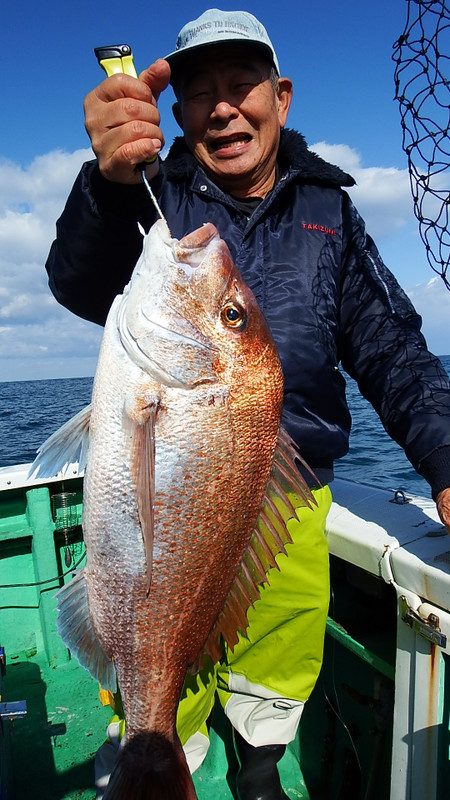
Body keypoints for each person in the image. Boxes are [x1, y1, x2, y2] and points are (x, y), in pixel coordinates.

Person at [45, 9, 450, 799]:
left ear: (282, 97)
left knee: (275, 684)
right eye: (200, 95)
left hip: (293, 512)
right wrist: (106, 179)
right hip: (173, 509)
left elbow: (393, 349)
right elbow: (77, 280)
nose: (224, 108)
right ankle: (159, 753)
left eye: (242, 87)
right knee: (163, 700)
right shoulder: (147, 194)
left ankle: (260, 770)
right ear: (179, 113)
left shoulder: (330, 212)